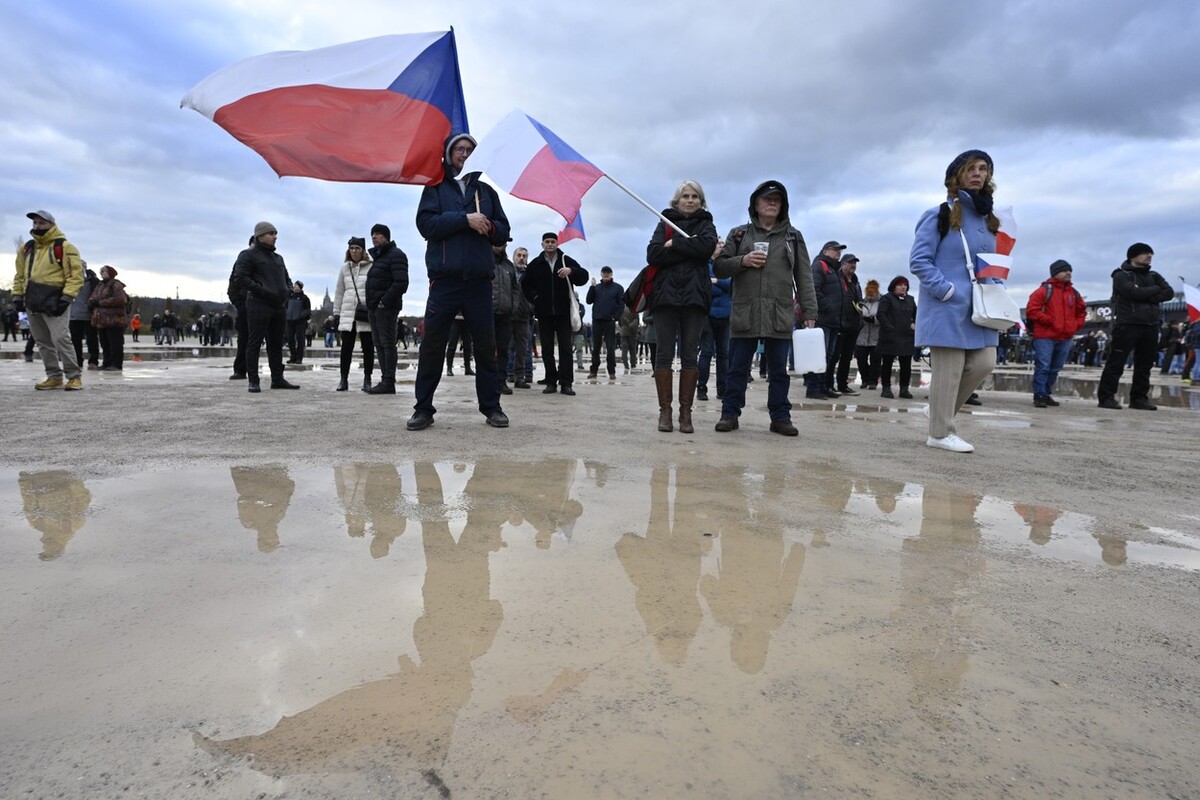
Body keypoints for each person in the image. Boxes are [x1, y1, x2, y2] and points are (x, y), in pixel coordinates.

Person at [411, 132, 511, 429]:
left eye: (470, 150)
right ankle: (423, 408)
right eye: (459, 149)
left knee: (485, 347)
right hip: (444, 281)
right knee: (432, 346)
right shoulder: (435, 188)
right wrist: (465, 219)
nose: (464, 154)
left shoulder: (487, 193)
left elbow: (504, 230)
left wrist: (489, 225)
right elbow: (426, 225)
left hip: (479, 281)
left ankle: (491, 407)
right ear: (449, 154)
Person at [910, 150, 1005, 452]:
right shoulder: (939, 214)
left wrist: (997, 287)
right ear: (957, 175)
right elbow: (919, 260)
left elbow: (990, 262)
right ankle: (939, 433)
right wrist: (946, 290)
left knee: (984, 363)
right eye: (971, 169)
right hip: (947, 305)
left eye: (984, 169)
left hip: (979, 305)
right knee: (948, 370)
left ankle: (939, 409)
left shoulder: (989, 219)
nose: (978, 174)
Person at [713, 180, 817, 436]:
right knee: (737, 368)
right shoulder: (739, 234)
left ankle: (780, 417)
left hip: (779, 312)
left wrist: (810, 313)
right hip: (745, 311)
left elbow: (804, 276)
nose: (772, 202)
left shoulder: (793, 237)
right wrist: (743, 260)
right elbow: (719, 267)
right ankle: (729, 414)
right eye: (766, 198)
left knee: (779, 371)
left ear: (783, 206)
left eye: (777, 199)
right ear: (755, 204)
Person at [646, 180, 720, 433]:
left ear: (701, 201)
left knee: (690, 355)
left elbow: (707, 248)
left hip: (695, 296)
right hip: (665, 296)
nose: (690, 200)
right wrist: (692, 247)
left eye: (695, 196)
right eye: (685, 196)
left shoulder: (706, 224)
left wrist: (675, 244)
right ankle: (665, 412)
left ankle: (685, 413)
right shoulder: (664, 222)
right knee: (664, 354)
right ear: (676, 201)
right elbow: (653, 254)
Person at [1097, 243, 1175, 410]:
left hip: (1151, 325)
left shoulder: (1154, 275)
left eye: (1150, 254)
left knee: (1145, 365)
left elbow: (1169, 292)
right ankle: (1106, 397)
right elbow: (1132, 292)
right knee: (1116, 362)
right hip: (1127, 324)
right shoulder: (1121, 275)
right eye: (1145, 253)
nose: (1149, 256)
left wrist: (1147, 294)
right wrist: (1154, 291)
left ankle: (1139, 398)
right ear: (1133, 256)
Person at [12, 210, 84, 391]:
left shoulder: (65, 247)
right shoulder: (27, 248)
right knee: (42, 341)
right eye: (35, 223)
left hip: (55, 300)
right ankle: (54, 376)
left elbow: (76, 275)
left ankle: (74, 376)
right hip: (32, 299)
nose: (37, 226)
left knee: (61, 338)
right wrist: (17, 296)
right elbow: (20, 274)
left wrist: (67, 298)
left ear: (51, 224)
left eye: (41, 223)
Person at [231, 221, 299, 393]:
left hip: (278, 305)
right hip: (258, 304)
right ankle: (253, 380)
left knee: (276, 344)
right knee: (254, 343)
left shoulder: (278, 258)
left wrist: (288, 290)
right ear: (260, 236)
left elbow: (286, 277)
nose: (275, 237)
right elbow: (240, 277)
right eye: (271, 233)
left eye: (275, 233)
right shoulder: (248, 255)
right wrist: (261, 290)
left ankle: (277, 378)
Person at [522, 232, 588, 396]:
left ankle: (566, 383)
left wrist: (571, 271)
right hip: (544, 313)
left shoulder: (566, 260)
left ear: (557, 244)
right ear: (542, 244)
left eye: (553, 241)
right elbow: (525, 284)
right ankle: (551, 381)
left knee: (565, 348)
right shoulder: (536, 264)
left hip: (563, 313)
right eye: (547, 242)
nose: (550, 244)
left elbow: (584, 276)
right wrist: (536, 298)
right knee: (546, 349)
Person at [1025, 259, 1086, 408]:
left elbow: (1082, 311)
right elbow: (1032, 310)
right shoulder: (1043, 291)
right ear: (1055, 273)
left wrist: (1074, 325)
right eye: (1064, 270)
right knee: (1044, 366)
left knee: (1055, 368)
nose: (1068, 273)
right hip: (1045, 336)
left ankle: (1045, 394)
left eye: (1069, 270)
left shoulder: (1074, 293)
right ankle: (1039, 395)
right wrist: (1050, 321)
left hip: (1064, 336)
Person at [364, 223, 409, 395]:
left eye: (377, 234)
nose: (374, 237)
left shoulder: (396, 255)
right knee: (379, 344)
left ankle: (389, 381)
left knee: (388, 344)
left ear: (386, 237)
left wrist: (384, 302)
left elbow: (401, 282)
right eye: (372, 234)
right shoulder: (379, 258)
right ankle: (384, 379)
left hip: (386, 308)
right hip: (374, 308)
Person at [805, 241, 848, 399]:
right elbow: (813, 289)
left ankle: (822, 386)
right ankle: (813, 388)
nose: (838, 253)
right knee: (818, 355)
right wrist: (827, 307)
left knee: (828, 356)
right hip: (823, 319)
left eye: (839, 250)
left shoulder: (834, 269)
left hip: (833, 320)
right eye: (835, 250)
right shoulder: (819, 266)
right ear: (825, 251)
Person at [332, 236, 375, 392]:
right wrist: (336, 314)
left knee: (368, 348)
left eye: (357, 248)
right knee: (346, 348)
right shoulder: (345, 268)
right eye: (352, 248)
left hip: (364, 312)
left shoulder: (372, 266)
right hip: (348, 312)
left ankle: (367, 378)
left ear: (363, 250)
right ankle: (343, 379)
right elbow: (339, 292)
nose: (354, 251)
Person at [491, 241, 530, 394]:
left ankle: (518, 377)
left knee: (521, 349)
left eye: (524, 256)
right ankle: (500, 377)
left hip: (520, 314)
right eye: (519, 255)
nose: (521, 258)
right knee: (498, 348)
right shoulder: (491, 264)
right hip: (496, 313)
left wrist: (523, 307)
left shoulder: (526, 272)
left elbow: (517, 291)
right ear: (514, 256)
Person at [697, 248, 732, 401]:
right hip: (709, 316)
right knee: (706, 352)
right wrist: (721, 285)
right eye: (718, 244)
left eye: (723, 243)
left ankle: (722, 388)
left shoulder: (729, 266)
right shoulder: (704, 265)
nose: (721, 246)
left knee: (724, 354)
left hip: (726, 316)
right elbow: (705, 287)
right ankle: (701, 387)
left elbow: (732, 285)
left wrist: (716, 281)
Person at [876, 276, 917, 399]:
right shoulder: (887, 298)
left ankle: (904, 389)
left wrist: (914, 323)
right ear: (894, 286)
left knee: (906, 364)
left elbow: (916, 314)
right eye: (900, 284)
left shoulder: (910, 299)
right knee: (887, 363)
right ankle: (886, 388)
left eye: (905, 284)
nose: (903, 287)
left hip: (906, 337)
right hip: (890, 337)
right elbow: (881, 314)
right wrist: (890, 328)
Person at [586, 266, 625, 380]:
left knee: (610, 347)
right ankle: (594, 371)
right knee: (596, 348)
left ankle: (611, 371)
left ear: (611, 274)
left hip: (609, 321)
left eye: (608, 273)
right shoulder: (596, 287)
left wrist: (615, 317)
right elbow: (589, 301)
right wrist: (591, 287)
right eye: (604, 272)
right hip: (597, 320)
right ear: (601, 274)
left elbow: (621, 304)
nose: (606, 274)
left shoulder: (618, 288)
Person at [89, 265, 128, 370]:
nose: (102, 273)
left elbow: (120, 299)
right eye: (101, 271)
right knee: (104, 343)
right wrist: (91, 302)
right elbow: (94, 296)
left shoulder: (116, 285)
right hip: (101, 320)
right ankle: (107, 363)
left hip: (114, 320)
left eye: (104, 271)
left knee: (115, 344)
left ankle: (116, 364)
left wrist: (100, 302)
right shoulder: (100, 285)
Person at [69, 264, 100, 370]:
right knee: (75, 340)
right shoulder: (69, 278)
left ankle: (93, 361)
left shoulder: (93, 281)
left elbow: (98, 295)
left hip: (88, 314)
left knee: (92, 339)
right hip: (73, 315)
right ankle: (77, 360)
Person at [854, 278, 881, 389]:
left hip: (876, 336)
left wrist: (874, 320)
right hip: (862, 335)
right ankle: (864, 379)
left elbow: (884, 316)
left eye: (873, 289)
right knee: (861, 359)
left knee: (875, 361)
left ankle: (873, 381)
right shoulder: (861, 302)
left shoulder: (881, 302)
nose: (871, 291)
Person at [284, 281, 311, 363]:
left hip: (300, 322)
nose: (294, 287)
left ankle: (299, 358)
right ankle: (293, 356)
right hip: (290, 321)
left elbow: (308, 310)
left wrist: (301, 315)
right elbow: (285, 306)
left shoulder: (304, 298)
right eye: (294, 285)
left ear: (300, 287)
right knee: (290, 339)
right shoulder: (289, 296)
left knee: (300, 340)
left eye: (296, 286)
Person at [619, 306, 641, 372]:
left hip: (624, 331)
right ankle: (633, 364)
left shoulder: (622, 309)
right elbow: (637, 321)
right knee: (632, 349)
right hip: (632, 331)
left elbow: (620, 321)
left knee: (624, 349)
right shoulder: (634, 308)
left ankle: (626, 365)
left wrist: (623, 327)